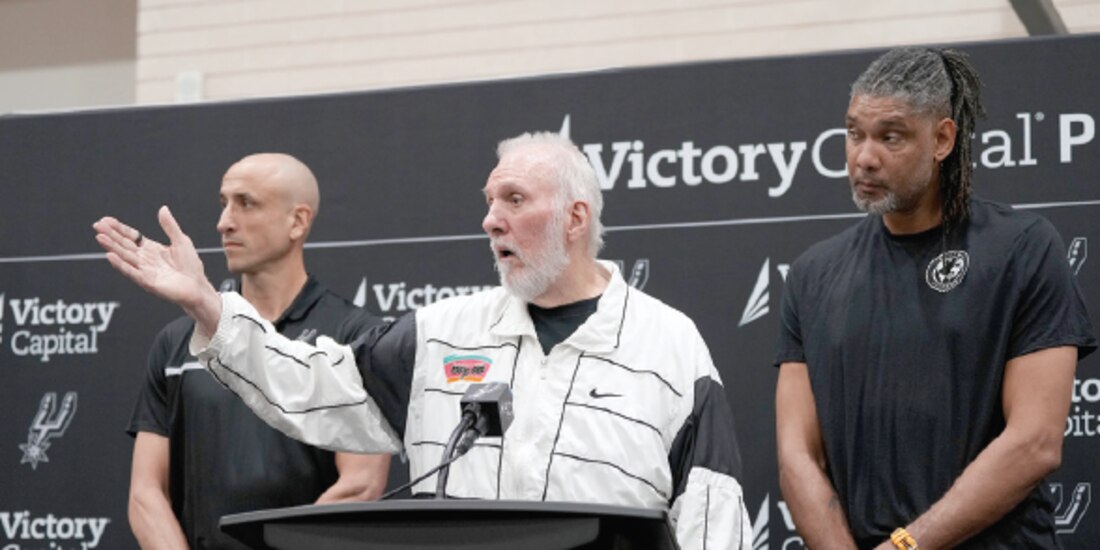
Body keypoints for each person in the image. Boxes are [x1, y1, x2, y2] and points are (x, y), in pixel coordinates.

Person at [95, 133, 753, 549]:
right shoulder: (443, 334)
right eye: (490, 201)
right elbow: (310, 386)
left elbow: (712, 516)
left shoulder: (669, 344)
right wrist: (209, 307)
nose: (492, 218)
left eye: (515, 199)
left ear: (576, 218)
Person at [774, 47, 1096, 549]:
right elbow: (797, 454)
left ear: (942, 138)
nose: (864, 156)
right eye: (854, 132)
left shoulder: (1023, 247)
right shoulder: (813, 275)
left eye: (891, 136)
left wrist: (906, 546)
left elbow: (1035, 442)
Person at [124, 153, 390, 549]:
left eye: (246, 203)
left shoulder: (354, 336)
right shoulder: (177, 341)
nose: (224, 222)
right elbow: (146, 493)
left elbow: (359, 485)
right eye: (223, 203)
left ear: (297, 221)